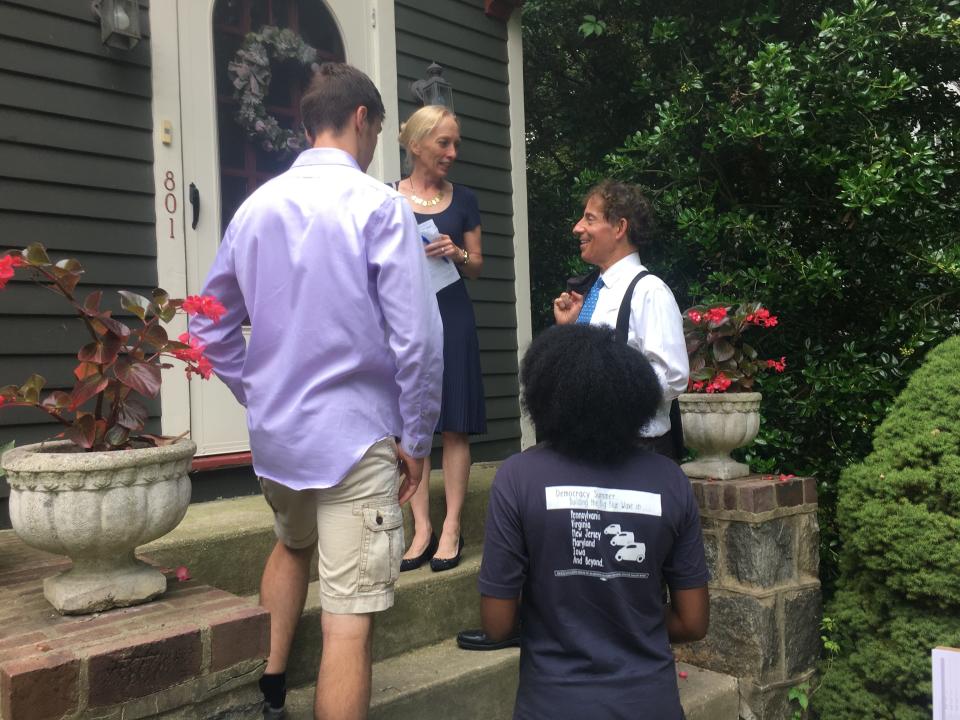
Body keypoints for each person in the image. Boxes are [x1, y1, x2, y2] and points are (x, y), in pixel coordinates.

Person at [189, 63, 443, 720]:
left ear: (307, 125)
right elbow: (417, 340)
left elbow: (206, 322)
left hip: (279, 438)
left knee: (292, 543)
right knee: (347, 624)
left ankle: (269, 692)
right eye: (378, 130)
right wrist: (416, 438)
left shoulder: (255, 207)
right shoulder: (381, 207)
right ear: (362, 119)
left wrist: (257, 389)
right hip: (357, 438)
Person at [463, 324, 709, 719]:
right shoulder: (668, 480)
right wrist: (631, 619)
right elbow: (692, 620)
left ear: (543, 395)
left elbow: (497, 623)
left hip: (553, 704)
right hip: (650, 703)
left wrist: (563, 617)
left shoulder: (518, 478)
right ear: (634, 398)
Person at [392, 105, 487, 573]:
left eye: (456, 144)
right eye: (443, 143)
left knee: (453, 423)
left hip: (452, 318)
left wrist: (457, 251)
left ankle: (451, 527)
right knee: (414, 424)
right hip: (406, 321)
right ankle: (422, 529)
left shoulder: (464, 198)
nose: (452, 152)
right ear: (416, 145)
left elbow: (478, 266)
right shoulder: (387, 198)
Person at [553, 180, 688, 459]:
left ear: (619, 228)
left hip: (636, 454)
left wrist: (615, 396)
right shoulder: (594, 293)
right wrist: (570, 332)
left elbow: (674, 376)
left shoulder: (649, 291)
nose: (577, 228)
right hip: (591, 448)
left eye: (589, 219)